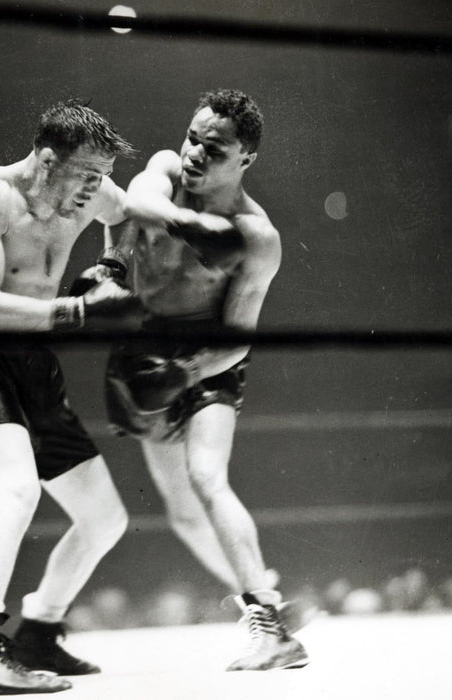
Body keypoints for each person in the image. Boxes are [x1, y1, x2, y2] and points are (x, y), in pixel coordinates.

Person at [0, 100, 141, 696]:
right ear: (48, 160)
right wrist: (81, 311)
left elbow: (128, 216)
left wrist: (111, 267)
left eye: (103, 175)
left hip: (35, 359)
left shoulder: (92, 193)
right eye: (87, 174)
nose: (96, 188)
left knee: (104, 518)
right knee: (17, 489)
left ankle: (38, 631)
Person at [103, 89, 310, 671]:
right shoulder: (167, 172)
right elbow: (135, 201)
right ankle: (266, 591)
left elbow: (238, 338)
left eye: (213, 149)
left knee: (206, 476)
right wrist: (191, 225)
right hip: (144, 350)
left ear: (246, 159)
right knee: (184, 513)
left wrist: (187, 371)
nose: (194, 153)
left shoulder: (256, 235)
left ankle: (270, 627)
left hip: (208, 357)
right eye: (193, 138)